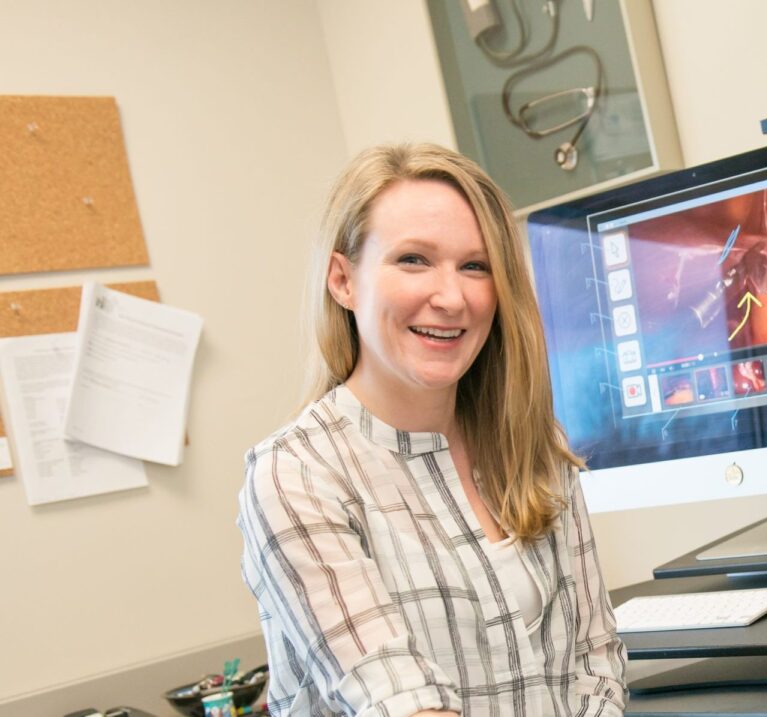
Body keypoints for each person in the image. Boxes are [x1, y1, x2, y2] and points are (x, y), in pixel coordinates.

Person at [237, 143, 627, 716]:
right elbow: (403, 703)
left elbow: (596, 661)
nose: (451, 297)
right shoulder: (296, 476)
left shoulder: (532, 445)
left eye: (476, 266)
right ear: (343, 281)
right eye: (414, 260)